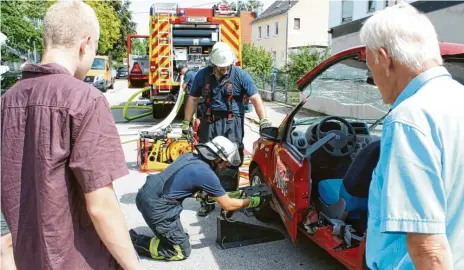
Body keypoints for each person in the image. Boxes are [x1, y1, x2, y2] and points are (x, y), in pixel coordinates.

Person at [0, 1, 141, 270]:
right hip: (78, 261)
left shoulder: (7, 101)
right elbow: (101, 207)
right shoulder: (85, 99)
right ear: (85, 43)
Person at [360, 3, 464, 270]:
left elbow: (428, 249)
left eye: (370, 67)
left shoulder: (409, 118)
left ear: (384, 58)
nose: (373, 79)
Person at [129, 136, 268, 261]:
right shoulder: (206, 174)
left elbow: (182, 182)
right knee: (180, 251)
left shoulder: (189, 156)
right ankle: (134, 243)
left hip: (147, 193)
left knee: (181, 237)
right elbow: (228, 205)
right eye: (226, 162)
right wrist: (255, 201)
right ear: (217, 158)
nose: (226, 166)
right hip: (157, 207)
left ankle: (166, 235)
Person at [182, 42, 271, 216]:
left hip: (232, 124)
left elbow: (255, 98)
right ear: (212, 64)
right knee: (205, 161)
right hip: (209, 122)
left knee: (231, 161)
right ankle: (205, 201)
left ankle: (229, 203)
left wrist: (264, 121)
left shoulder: (240, 75)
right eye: (219, 67)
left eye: (226, 67)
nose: (223, 70)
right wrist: (186, 123)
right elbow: (192, 99)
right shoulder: (202, 75)